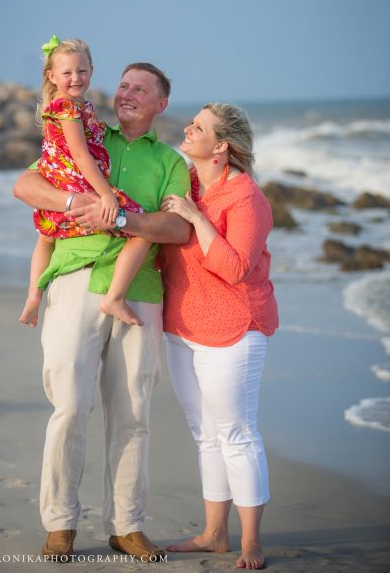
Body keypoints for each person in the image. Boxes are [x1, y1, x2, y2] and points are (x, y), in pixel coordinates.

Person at [13, 62, 191, 562]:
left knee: (133, 414)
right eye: (124, 85)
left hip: (142, 290)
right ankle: (60, 523)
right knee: (70, 406)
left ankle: (127, 526)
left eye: (142, 89)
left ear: (161, 104)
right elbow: (26, 186)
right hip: (74, 279)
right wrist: (80, 203)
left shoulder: (173, 164)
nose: (128, 93)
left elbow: (179, 230)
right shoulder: (88, 136)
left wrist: (128, 217)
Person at [159, 103, 279, 570]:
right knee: (205, 434)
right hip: (182, 326)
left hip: (234, 328)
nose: (187, 129)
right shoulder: (184, 182)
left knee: (236, 434)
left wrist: (196, 217)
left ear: (221, 146)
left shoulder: (247, 197)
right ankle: (213, 534)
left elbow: (233, 268)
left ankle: (251, 543)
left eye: (199, 126)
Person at [19, 35, 150, 328]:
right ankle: (115, 297)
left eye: (81, 71)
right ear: (52, 76)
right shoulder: (67, 108)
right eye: (67, 73)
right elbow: (80, 154)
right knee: (141, 227)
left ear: (92, 70)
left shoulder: (72, 106)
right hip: (76, 182)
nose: (75, 78)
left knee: (46, 237)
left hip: (56, 180)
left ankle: (33, 296)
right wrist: (106, 195)